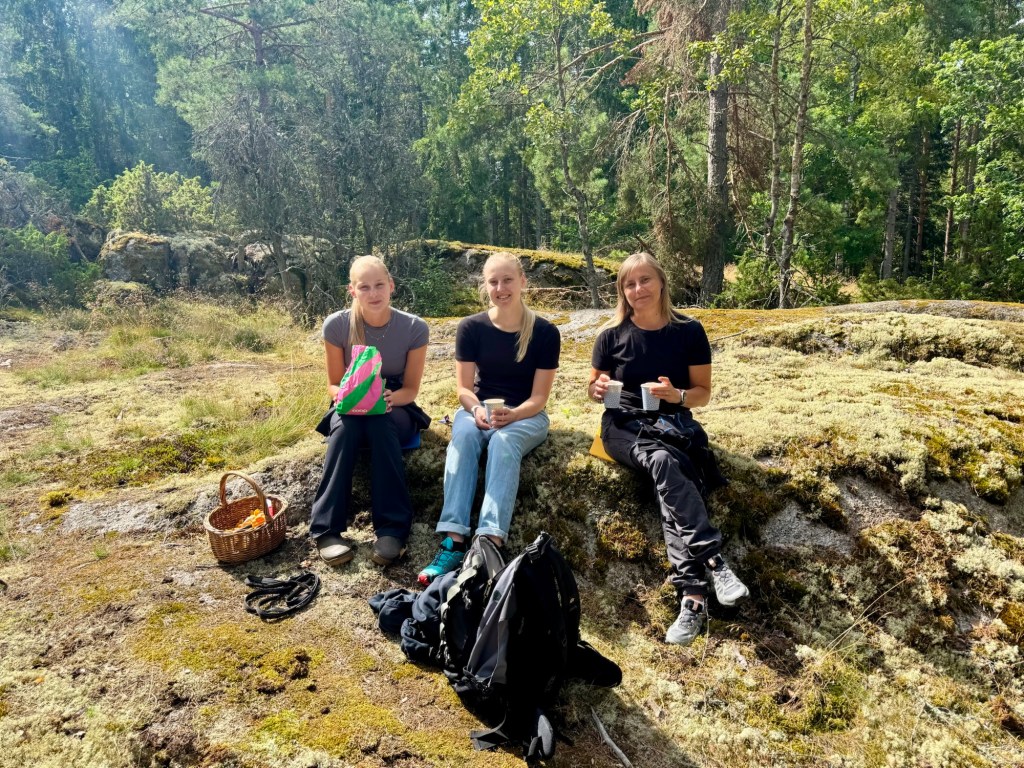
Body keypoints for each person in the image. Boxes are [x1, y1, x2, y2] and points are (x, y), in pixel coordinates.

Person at [588, 252, 748, 646]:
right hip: (622, 427)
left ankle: (693, 596)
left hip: (673, 425)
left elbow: (702, 393)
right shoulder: (610, 335)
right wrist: (596, 389)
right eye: (629, 284)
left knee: (667, 468)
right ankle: (715, 561)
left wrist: (677, 395)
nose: (637, 289)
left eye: (644, 280)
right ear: (622, 291)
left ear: (661, 282)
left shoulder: (689, 331)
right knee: (662, 459)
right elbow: (594, 387)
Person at [417, 252, 560, 585]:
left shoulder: (545, 332)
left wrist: (513, 415)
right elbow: (464, 390)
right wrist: (476, 410)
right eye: (493, 281)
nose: (500, 288)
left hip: (526, 415)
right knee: (465, 435)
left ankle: (489, 544)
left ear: (523, 281)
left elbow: (539, 398)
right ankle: (454, 541)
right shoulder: (471, 327)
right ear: (485, 285)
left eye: (507, 280)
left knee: (504, 442)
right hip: (479, 409)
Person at [310, 255, 429, 567]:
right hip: (350, 400)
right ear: (352, 290)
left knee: (380, 423)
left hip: (395, 400)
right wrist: (350, 398)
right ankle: (327, 530)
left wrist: (386, 399)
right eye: (364, 287)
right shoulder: (337, 325)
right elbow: (333, 384)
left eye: (379, 285)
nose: (373, 293)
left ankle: (392, 530)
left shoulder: (414, 328)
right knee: (344, 428)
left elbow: (411, 389)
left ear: (391, 285)